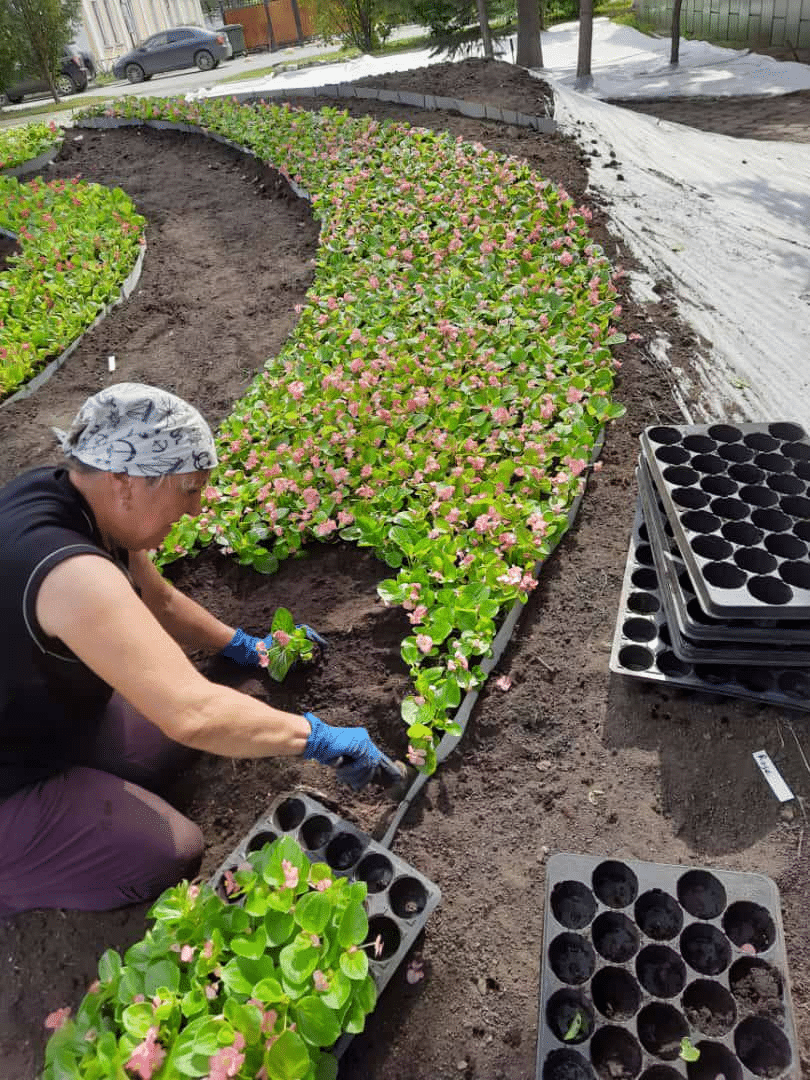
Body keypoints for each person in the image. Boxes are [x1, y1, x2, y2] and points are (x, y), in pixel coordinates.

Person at [0, 382, 392, 918]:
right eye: (189, 489)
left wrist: (242, 646)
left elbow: (154, 595)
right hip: (8, 782)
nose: (198, 507)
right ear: (125, 482)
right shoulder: (68, 570)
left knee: (158, 746)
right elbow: (193, 714)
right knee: (169, 852)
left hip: (30, 716)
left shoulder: (76, 499)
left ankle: (76, 782)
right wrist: (317, 738)